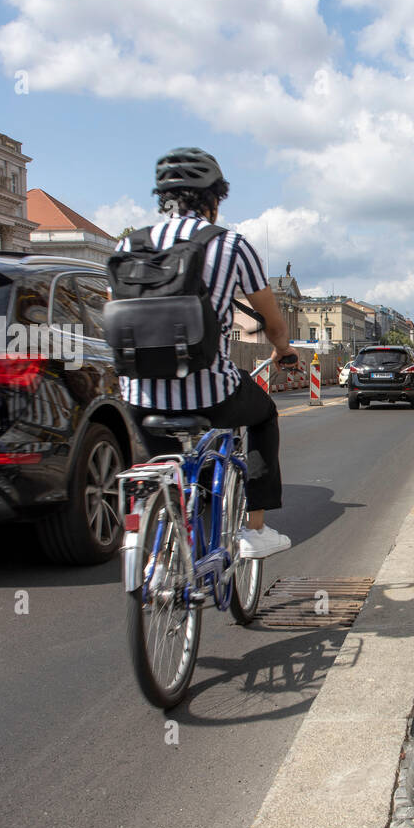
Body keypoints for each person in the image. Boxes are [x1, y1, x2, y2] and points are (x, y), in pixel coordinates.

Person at [119, 147, 294, 558]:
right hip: (210, 392)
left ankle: (163, 541)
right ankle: (256, 528)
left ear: (163, 198)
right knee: (265, 415)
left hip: (137, 395)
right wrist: (283, 348)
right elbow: (272, 320)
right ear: (215, 199)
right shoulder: (230, 245)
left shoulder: (132, 244)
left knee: (165, 466)